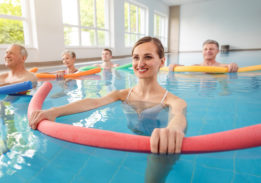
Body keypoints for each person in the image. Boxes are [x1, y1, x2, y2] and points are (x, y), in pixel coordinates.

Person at [29, 36, 187, 155]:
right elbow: (93, 102)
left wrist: (173, 129)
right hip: (128, 144)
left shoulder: (173, 100)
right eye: (136, 57)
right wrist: (54, 111)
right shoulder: (123, 94)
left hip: (159, 147)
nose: (140, 63)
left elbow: (179, 116)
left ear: (162, 61)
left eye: (148, 57)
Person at [169, 39, 239, 72]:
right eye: (205, 49)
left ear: (217, 51)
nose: (208, 51)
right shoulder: (195, 67)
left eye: (211, 49)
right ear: (202, 52)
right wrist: (175, 66)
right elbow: (184, 69)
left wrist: (233, 65)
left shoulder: (224, 67)